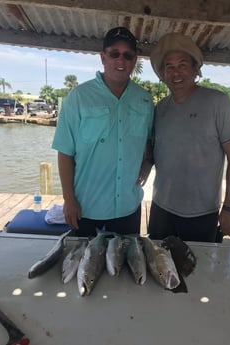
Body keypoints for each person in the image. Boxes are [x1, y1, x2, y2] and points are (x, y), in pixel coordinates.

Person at [52, 27, 154, 236]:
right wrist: (68, 199)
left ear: (135, 60)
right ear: (103, 57)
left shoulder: (144, 100)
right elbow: (65, 152)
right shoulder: (78, 98)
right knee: (83, 268)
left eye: (128, 55)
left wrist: (148, 163)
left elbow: (150, 141)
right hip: (86, 208)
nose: (121, 60)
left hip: (128, 207)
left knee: (126, 268)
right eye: (114, 53)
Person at [148, 33, 230, 242]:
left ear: (195, 70)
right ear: (163, 74)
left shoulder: (218, 102)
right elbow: (154, 149)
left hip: (201, 213)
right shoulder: (160, 108)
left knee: (198, 272)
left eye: (182, 65)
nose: (176, 72)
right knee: (158, 269)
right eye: (169, 67)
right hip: (160, 208)